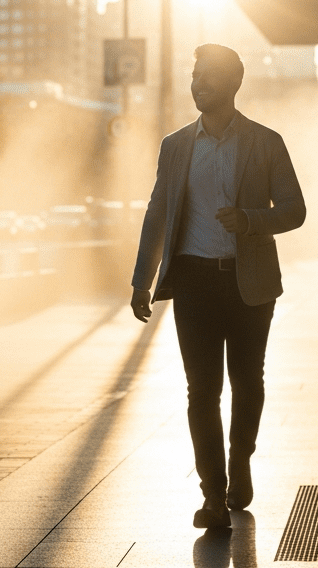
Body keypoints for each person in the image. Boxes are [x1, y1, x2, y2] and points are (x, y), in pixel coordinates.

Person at [130, 44, 306, 529]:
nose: (197, 83)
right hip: (194, 283)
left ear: (233, 83)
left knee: (247, 382)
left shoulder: (265, 142)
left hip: (250, 285)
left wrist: (249, 219)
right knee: (201, 390)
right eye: (194, 75)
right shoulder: (175, 146)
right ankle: (212, 495)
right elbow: (157, 213)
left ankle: (240, 459)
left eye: (208, 75)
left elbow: (295, 209)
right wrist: (142, 280)